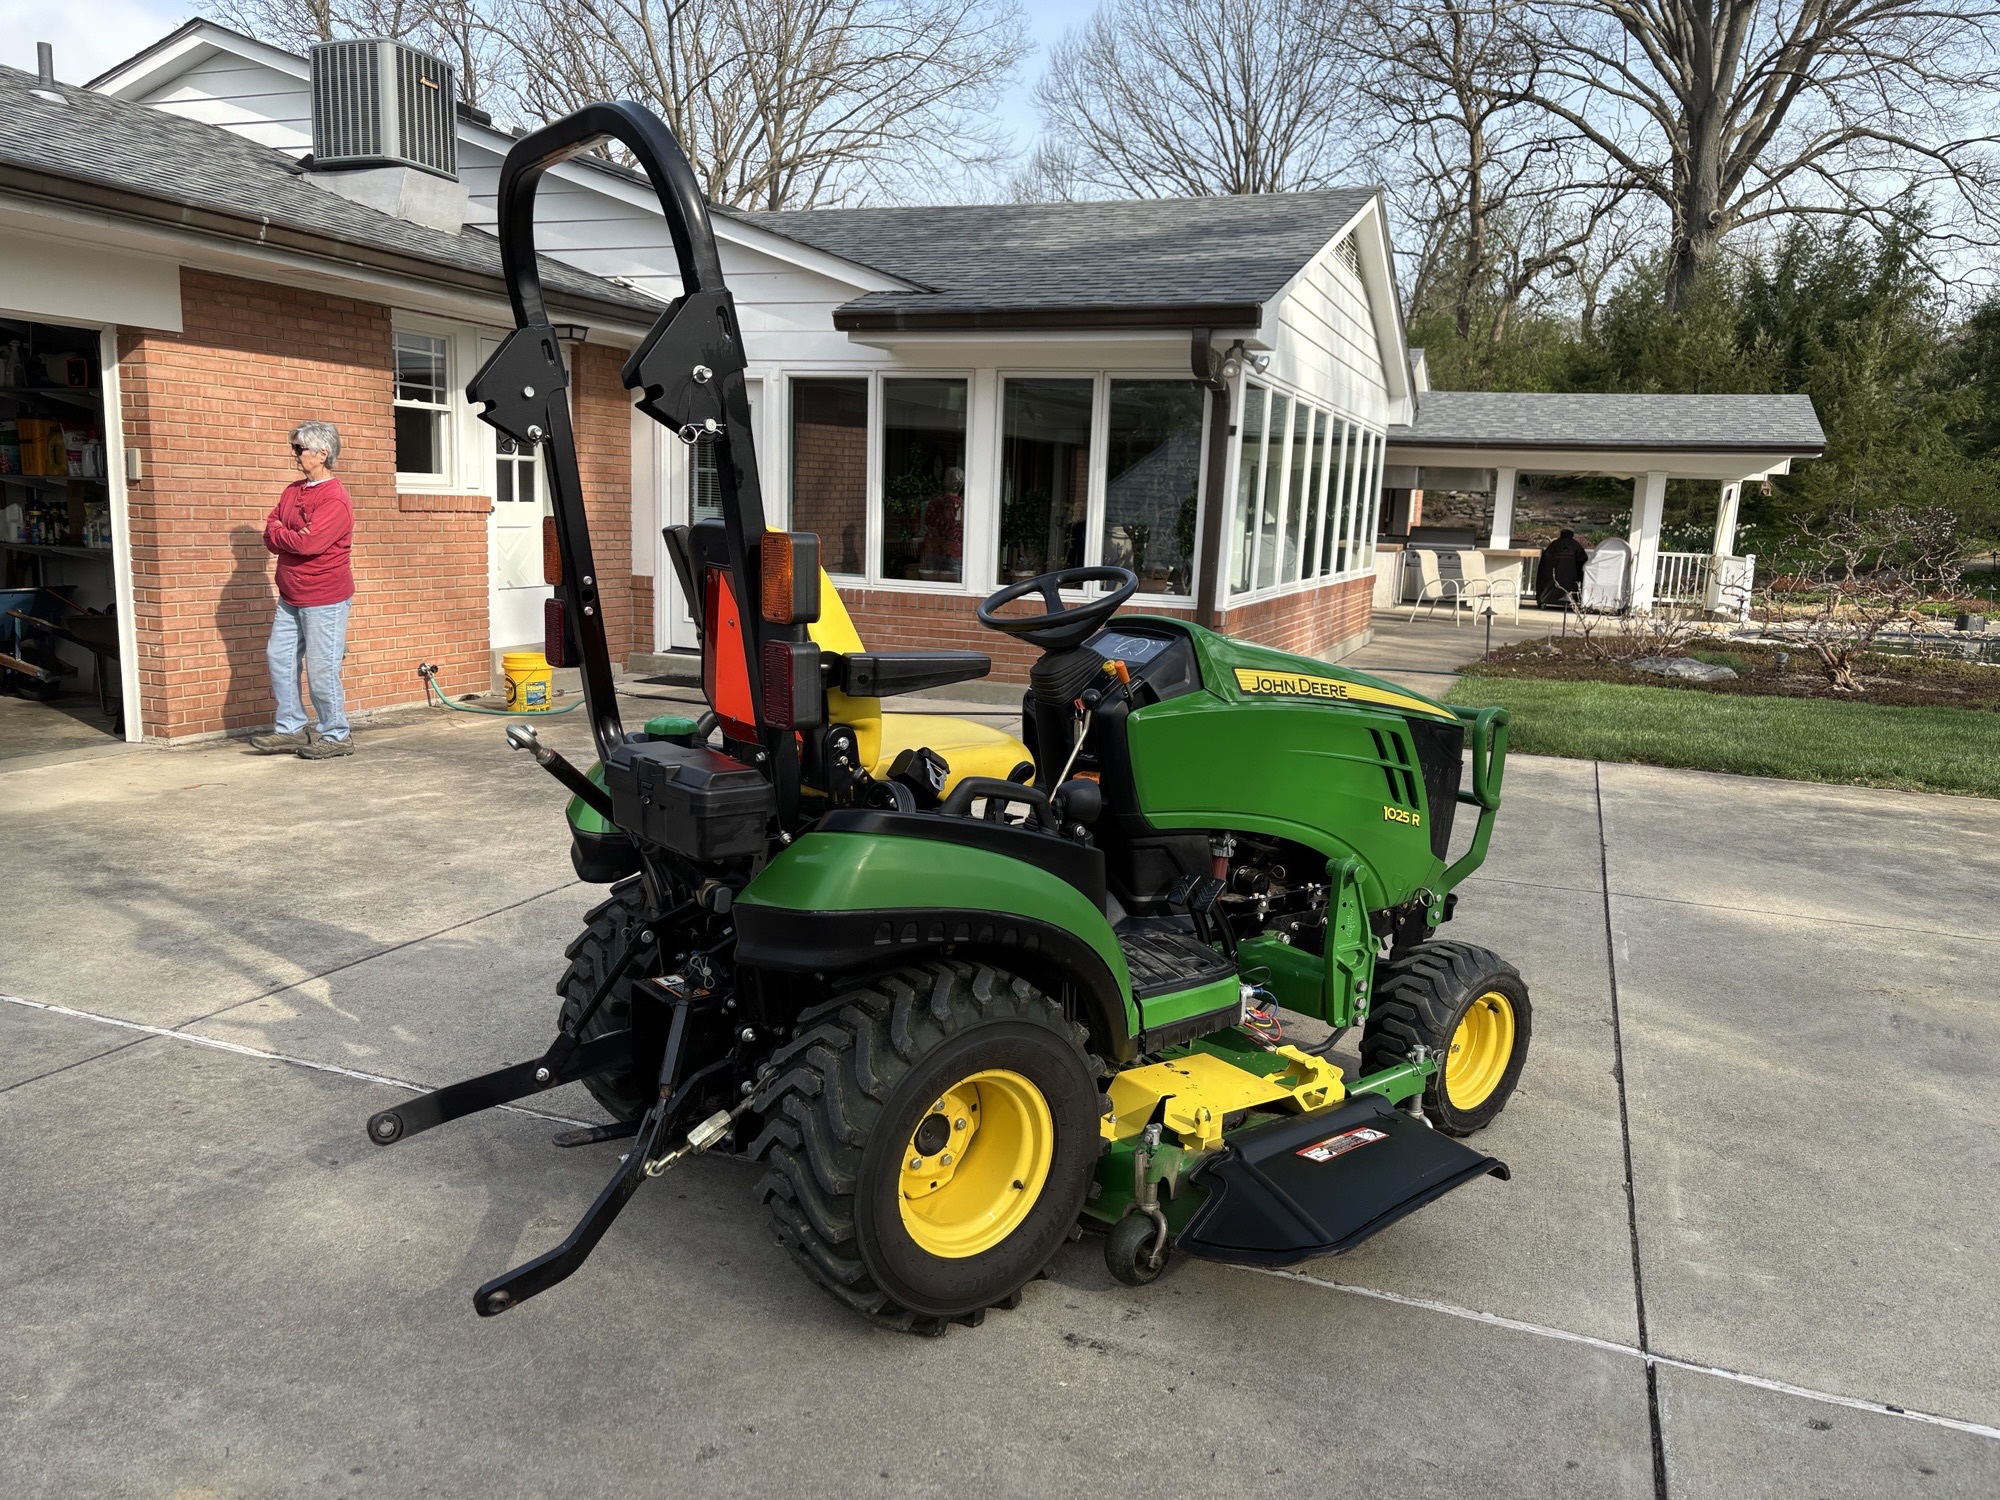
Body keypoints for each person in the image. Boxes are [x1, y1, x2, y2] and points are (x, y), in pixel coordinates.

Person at [251, 421, 356, 758]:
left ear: (322, 453)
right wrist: (287, 535)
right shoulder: (292, 491)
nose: (294, 455)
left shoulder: (335, 499)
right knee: (279, 659)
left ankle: (337, 735)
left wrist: (287, 535)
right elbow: (270, 532)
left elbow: (310, 544)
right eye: (294, 448)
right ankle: (292, 729)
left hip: (324, 597)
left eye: (300, 449)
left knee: (321, 669)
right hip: (290, 595)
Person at [1536, 528, 1590, 609]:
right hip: (1571, 580)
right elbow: (1583, 561)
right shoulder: (1576, 546)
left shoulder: (1553, 545)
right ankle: (1572, 600)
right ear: (1572, 535)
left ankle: (1545, 600)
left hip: (1551, 583)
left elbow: (1545, 562)